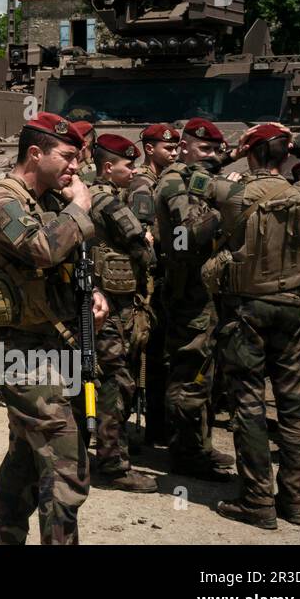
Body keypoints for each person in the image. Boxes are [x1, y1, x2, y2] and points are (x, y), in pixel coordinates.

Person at [0, 113, 109, 544]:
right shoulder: (2, 200)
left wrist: (95, 293)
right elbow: (42, 247)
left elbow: (66, 259)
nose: (75, 168)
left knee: (26, 462)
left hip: (50, 346)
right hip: (20, 353)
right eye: (67, 157)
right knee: (68, 468)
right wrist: (79, 207)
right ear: (35, 153)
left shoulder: (45, 200)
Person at [191, 123, 300, 528]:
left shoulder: (231, 193)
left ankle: (257, 499)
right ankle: (295, 501)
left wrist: (231, 153)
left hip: (245, 311)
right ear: (285, 153)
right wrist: (296, 143)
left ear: (250, 152)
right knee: (295, 408)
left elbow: (193, 177)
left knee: (249, 406)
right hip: (292, 310)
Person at [153, 118, 236, 481]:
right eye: (204, 149)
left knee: (205, 370)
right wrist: (227, 209)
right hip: (188, 292)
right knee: (191, 373)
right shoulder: (175, 181)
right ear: (184, 146)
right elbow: (188, 233)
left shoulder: (190, 177)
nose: (211, 157)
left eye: (216, 150)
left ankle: (199, 445)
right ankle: (186, 453)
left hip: (200, 291)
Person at [84, 133, 158, 492]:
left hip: (93, 302)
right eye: (128, 165)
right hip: (111, 307)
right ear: (108, 167)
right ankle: (112, 464)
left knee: (90, 376)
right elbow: (142, 249)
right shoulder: (111, 204)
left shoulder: (82, 195)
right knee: (117, 381)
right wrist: (148, 249)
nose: (134, 171)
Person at [133, 123, 178, 448]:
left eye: (176, 148)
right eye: (168, 149)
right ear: (150, 148)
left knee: (162, 357)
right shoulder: (143, 185)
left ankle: (158, 428)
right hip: (147, 283)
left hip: (164, 281)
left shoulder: (166, 181)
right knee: (140, 355)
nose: (174, 153)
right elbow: (143, 238)